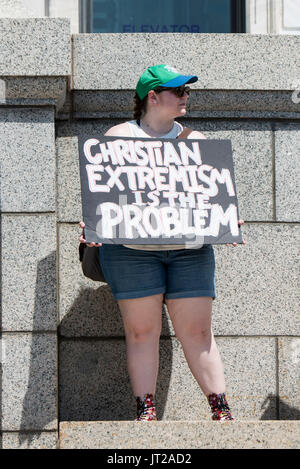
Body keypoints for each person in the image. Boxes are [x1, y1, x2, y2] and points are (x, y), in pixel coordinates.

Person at [79, 64, 245, 422]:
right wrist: (94, 221)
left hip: (189, 252)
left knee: (199, 331)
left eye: (187, 91)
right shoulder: (119, 137)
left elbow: (211, 195)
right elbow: (105, 192)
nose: (185, 97)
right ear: (151, 97)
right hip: (132, 255)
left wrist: (224, 217)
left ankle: (222, 411)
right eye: (177, 91)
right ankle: (146, 412)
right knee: (142, 331)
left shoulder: (194, 142)